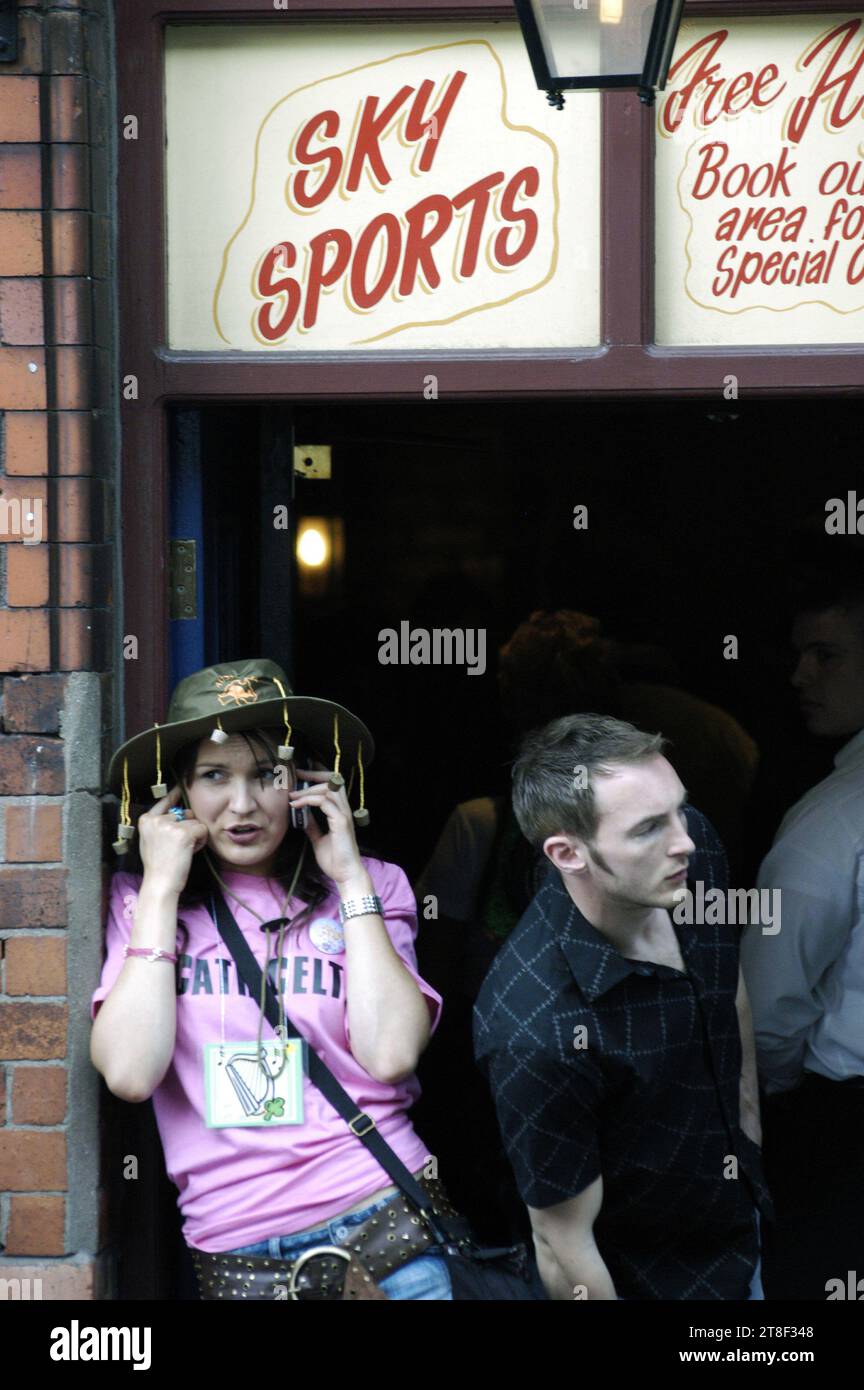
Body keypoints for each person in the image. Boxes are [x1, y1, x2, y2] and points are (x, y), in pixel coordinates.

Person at [90, 658, 466, 1301]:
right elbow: (129, 1072)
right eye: (214, 776)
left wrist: (349, 880)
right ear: (178, 790)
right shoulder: (141, 901)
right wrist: (160, 888)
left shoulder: (375, 886)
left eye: (267, 775)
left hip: (388, 1236)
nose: (243, 805)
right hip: (243, 1262)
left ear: (303, 781)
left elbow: (393, 1053)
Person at [474, 713, 771, 1300]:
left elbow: (725, 989)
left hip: (743, 1228)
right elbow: (562, 1247)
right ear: (567, 853)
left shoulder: (691, 853)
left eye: (679, 809)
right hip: (652, 1280)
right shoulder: (538, 1029)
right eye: (647, 828)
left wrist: (750, 1143)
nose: (683, 839)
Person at [740, 557, 864, 1300]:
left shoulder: (835, 817)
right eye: (798, 654)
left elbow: (767, 1006)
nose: (799, 676)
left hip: (842, 1136)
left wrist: (783, 1100)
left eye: (827, 654)